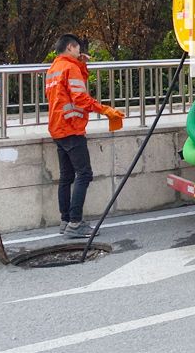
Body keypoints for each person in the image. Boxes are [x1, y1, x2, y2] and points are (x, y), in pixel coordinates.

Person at [44, 34, 124, 238]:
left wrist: (82, 66)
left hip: (57, 127)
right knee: (84, 174)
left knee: (67, 177)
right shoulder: (70, 68)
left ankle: (65, 221)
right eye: (78, 49)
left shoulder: (54, 68)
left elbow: (69, 91)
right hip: (72, 128)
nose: (80, 52)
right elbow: (80, 97)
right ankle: (75, 223)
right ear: (71, 47)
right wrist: (105, 110)